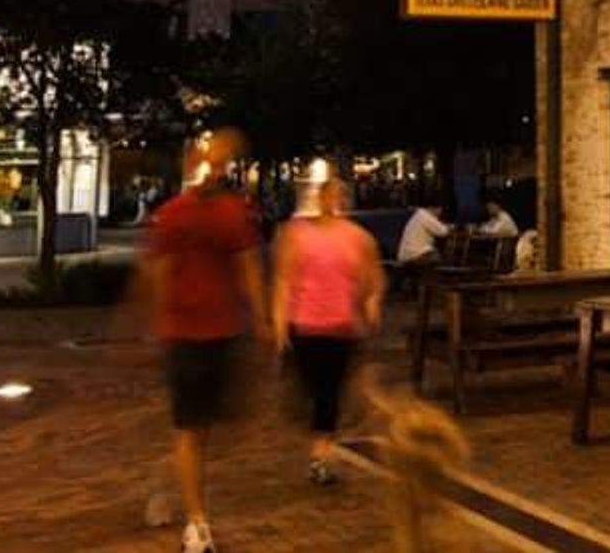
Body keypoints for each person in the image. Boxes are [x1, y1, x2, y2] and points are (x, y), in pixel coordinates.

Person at [144, 129, 267, 553]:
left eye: (221, 160)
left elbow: (248, 267)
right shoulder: (174, 215)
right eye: (209, 159)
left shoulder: (233, 213)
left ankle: (170, 479)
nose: (214, 167)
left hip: (223, 332)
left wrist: (263, 319)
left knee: (207, 431)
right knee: (192, 429)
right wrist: (162, 322)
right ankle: (197, 525)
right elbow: (159, 274)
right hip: (186, 335)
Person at [272, 169, 386, 485]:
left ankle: (320, 454)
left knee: (329, 394)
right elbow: (284, 280)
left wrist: (371, 303)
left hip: (340, 326)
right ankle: (319, 441)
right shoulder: (298, 234)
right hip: (305, 324)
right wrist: (280, 322)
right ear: (319, 200)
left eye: (340, 197)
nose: (334, 202)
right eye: (329, 196)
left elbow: (373, 278)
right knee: (310, 390)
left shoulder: (358, 238)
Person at [396, 200, 452, 265]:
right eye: (439, 210)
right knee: (437, 256)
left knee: (434, 252)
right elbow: (443, 232)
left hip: (405, 256)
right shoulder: (426, 216)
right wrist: (450, 227)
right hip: (415, 256)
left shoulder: (418, 215)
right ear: (433, 208)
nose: (440, 213)